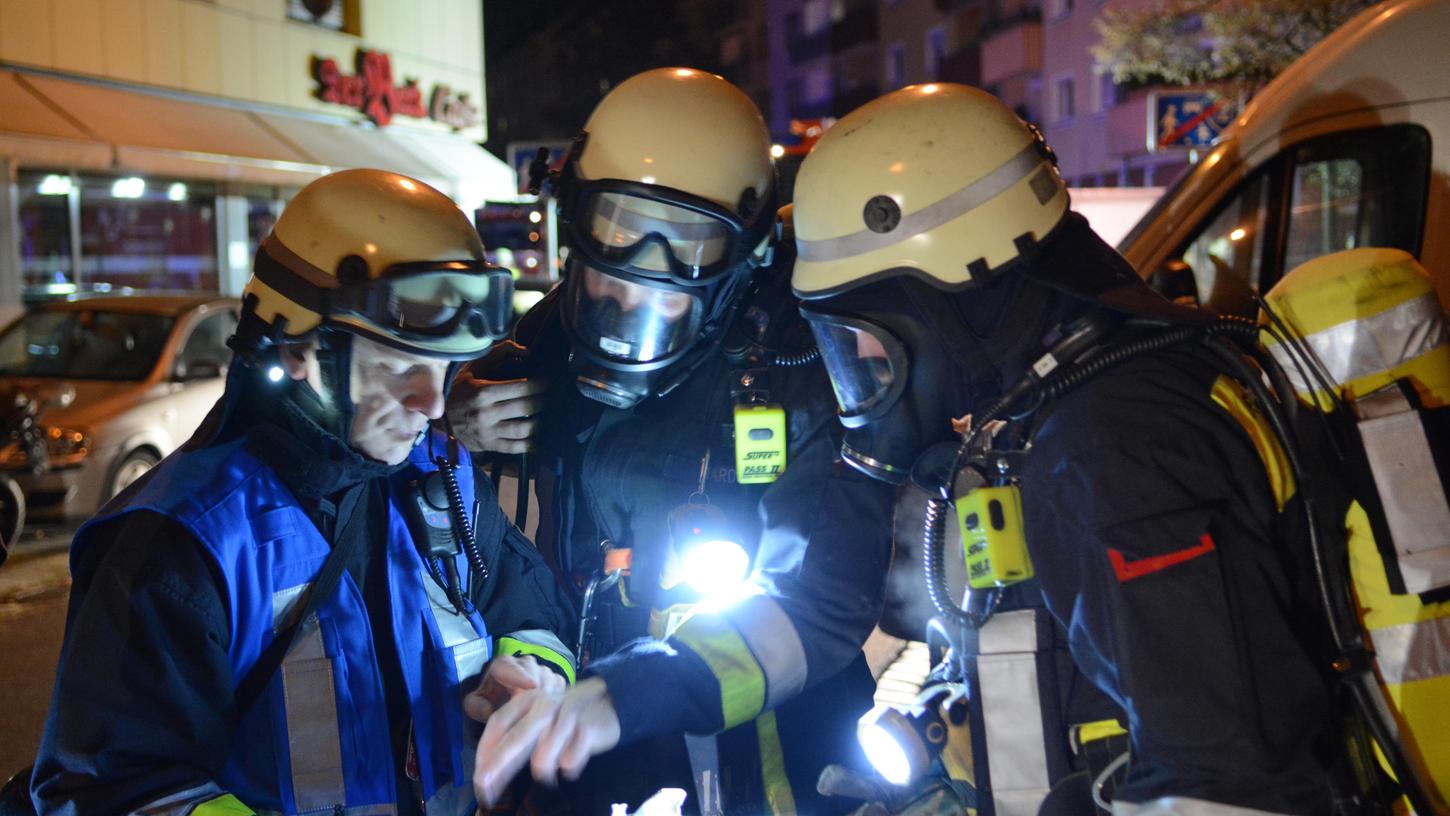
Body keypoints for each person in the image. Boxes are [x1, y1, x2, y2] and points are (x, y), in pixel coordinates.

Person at [787, 83, 1340, 814]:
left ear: (946, 293)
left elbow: (1225, 786)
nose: (861, 359)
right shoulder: (1083, 395)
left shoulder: (1115, 445)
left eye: (866, 329)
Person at [31, 169, 575, 816]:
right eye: (401, 364)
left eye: (444, 367)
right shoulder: (177, 543)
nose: (433, 404)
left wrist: (532, 678)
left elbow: (535, 614)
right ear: (301, 350)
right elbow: (117, 791)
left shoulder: (444, 482)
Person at [451, 68, 896, 814]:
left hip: (774, 752)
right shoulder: (545, 343)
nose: (633, 296)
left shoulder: (802, 368)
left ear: (743, 263)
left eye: (684, 250)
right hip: (587, 740)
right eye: (618, 238)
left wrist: (623, 695)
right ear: (577, 231)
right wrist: (454, 417)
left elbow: (822, 605)